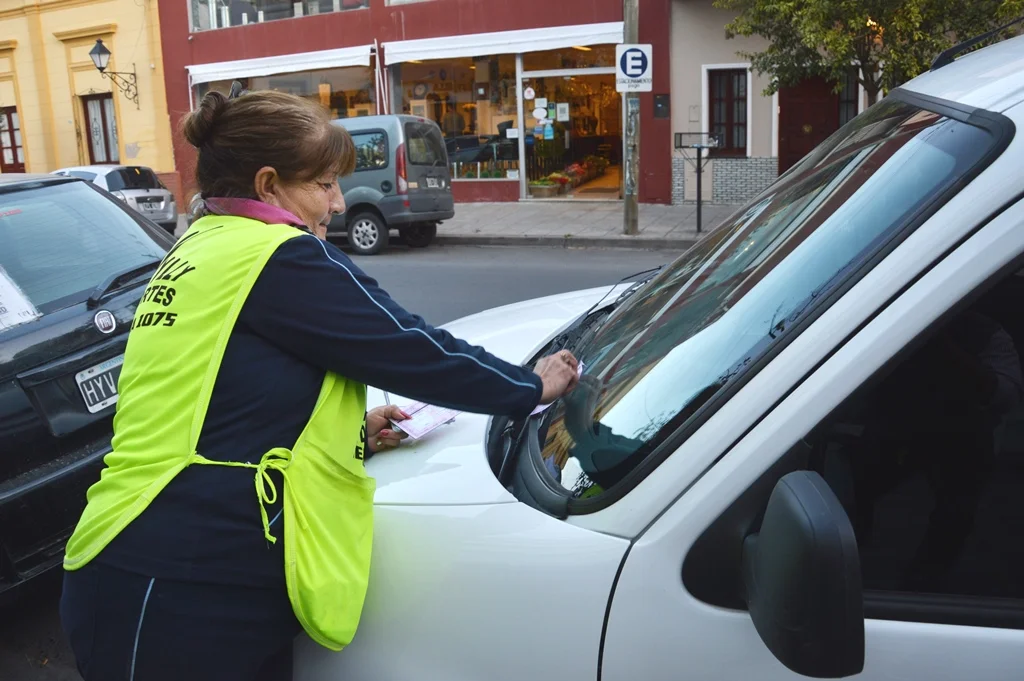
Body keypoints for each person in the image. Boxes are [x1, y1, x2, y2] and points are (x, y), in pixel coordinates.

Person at [59, 84, 580, 681]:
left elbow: (217, 404)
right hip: (181, 584)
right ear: (267, 186)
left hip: (149, 563)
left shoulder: (203, 245)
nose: (337, 202)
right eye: (324, 183)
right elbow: (409, 347)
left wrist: (350, 434)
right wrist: (526, 386)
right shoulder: (280, 255)